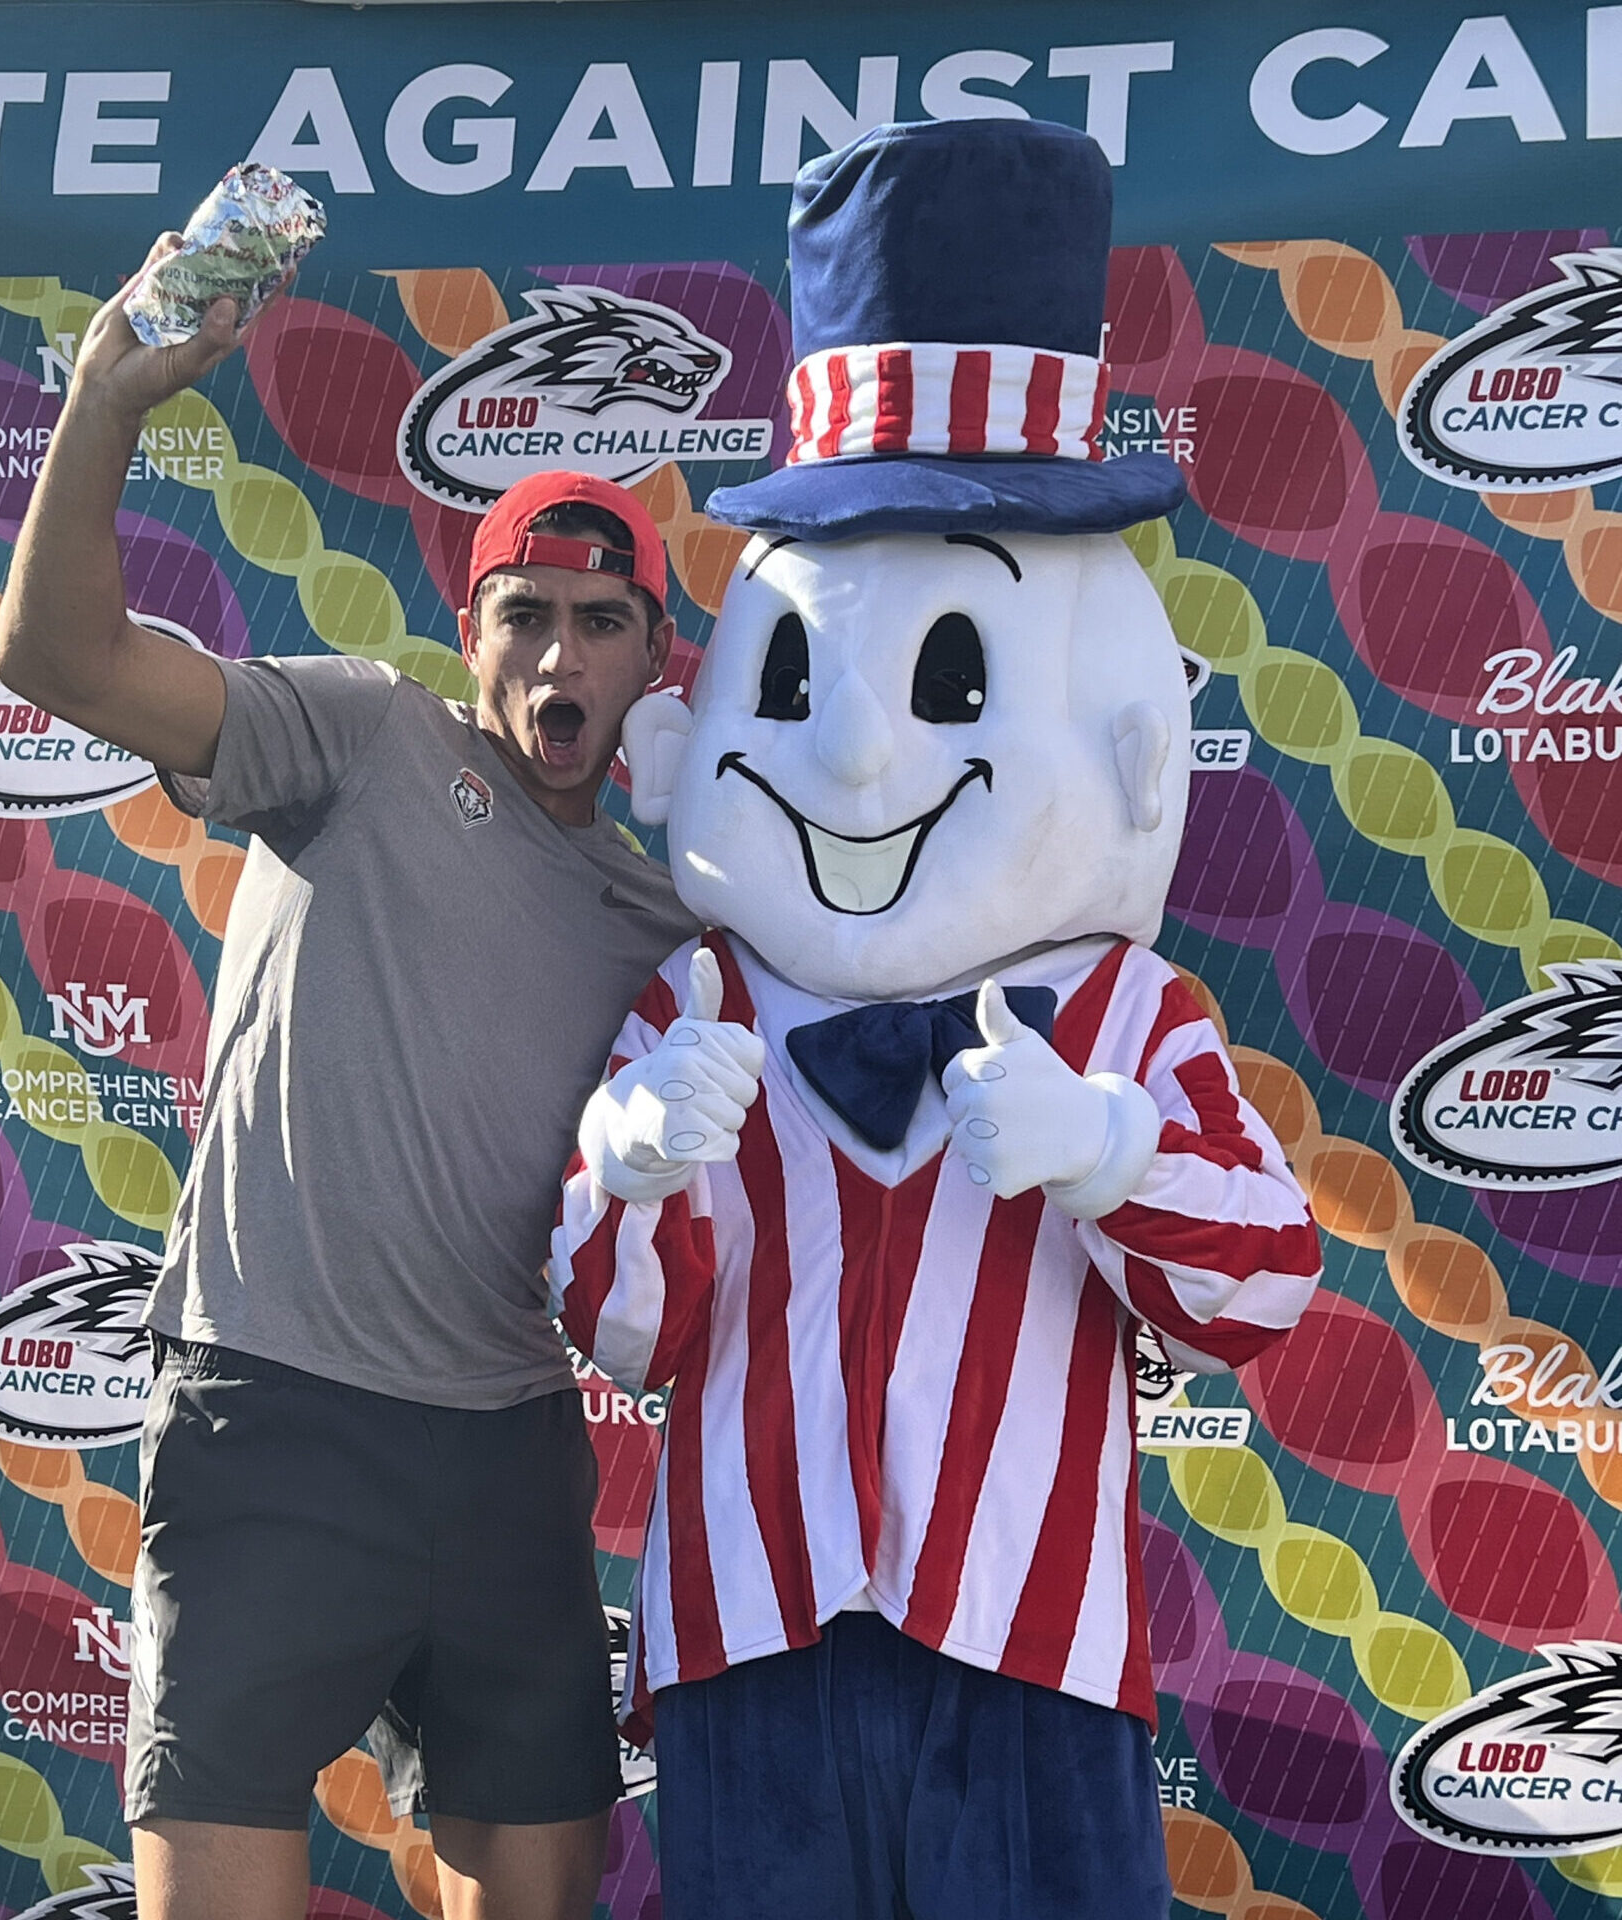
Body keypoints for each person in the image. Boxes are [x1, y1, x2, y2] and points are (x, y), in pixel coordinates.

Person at [551, 119, 1323, 1919]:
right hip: (751, 1641)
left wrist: (1111, 1151)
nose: (862, 756)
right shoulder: (700, 994)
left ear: (1127, 719)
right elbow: (621, 1333)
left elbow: (1261, 1288)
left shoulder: (1131, 1007)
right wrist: (632, 1160)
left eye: (953, 676)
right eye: (803, 673)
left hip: (1031, 1646)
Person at [0, 236, 701, 1920]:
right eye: (527, 615)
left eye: (603, 624)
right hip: (275, 1414)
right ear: (475, 634)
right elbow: (55, 662)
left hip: (511, 1448)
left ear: (653, 666)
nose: (561, 656)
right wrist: (105, 400)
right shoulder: (368, 733)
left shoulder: (671, 918)